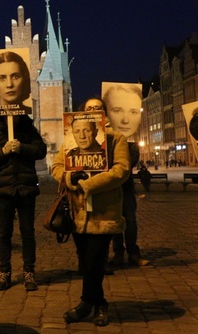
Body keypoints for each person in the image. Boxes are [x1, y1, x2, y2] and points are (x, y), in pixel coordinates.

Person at [51, 98, 130, 327]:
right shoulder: (69, 146)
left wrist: (89, 184)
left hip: (103, 213)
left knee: (95, 259)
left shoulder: (116, 139)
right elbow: (56, 167)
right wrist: (68, 178)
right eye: (88, 109)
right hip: (77, 213)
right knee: (86, 261)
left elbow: (121, 170)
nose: (83, 134)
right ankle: (100, 303)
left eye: (97, 109)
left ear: (102, 117)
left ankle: (87, 303)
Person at [0, 115, 47, 292]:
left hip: (25, 188)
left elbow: (41, 150)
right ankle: (4, 272)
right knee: (4, 233)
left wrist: (22, 148)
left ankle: (29, 272)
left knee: (28, 232)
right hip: (3, 189)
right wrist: (3, 151)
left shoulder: (30, 131)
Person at [103, 85, 143, 268]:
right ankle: (118, 253)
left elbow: (129, 163)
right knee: (115, 222)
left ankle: (133, 252)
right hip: (111, 188)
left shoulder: (130, 142)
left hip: (126, 187)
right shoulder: (104, 140)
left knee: (131, 221)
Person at [0, 51, 32, 116]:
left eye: (15, 77)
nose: (9, 84)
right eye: (2, 78)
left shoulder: (29, 112)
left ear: (24, 79)